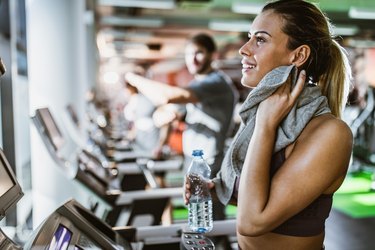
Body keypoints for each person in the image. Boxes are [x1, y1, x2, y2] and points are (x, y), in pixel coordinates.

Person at [184, 1, 353, 250]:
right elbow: (262, 197)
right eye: (249, 38)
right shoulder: (266, 116)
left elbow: (252, 222)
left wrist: (265, 124)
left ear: (298, 55)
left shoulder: (331, 134)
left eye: (260, 40)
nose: (244, 49)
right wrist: (215, 189)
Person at [125, 33, 239, 227]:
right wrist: (170, 114)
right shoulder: (197, 84)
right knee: (198, 221)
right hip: (194, 160)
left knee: (208, 223)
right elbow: (164, 114)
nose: (193, 59)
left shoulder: (216, 82)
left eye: (199, 53)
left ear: (213, 55)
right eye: (189, 54)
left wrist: (136, 80)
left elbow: (169, 98)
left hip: (209, 163)